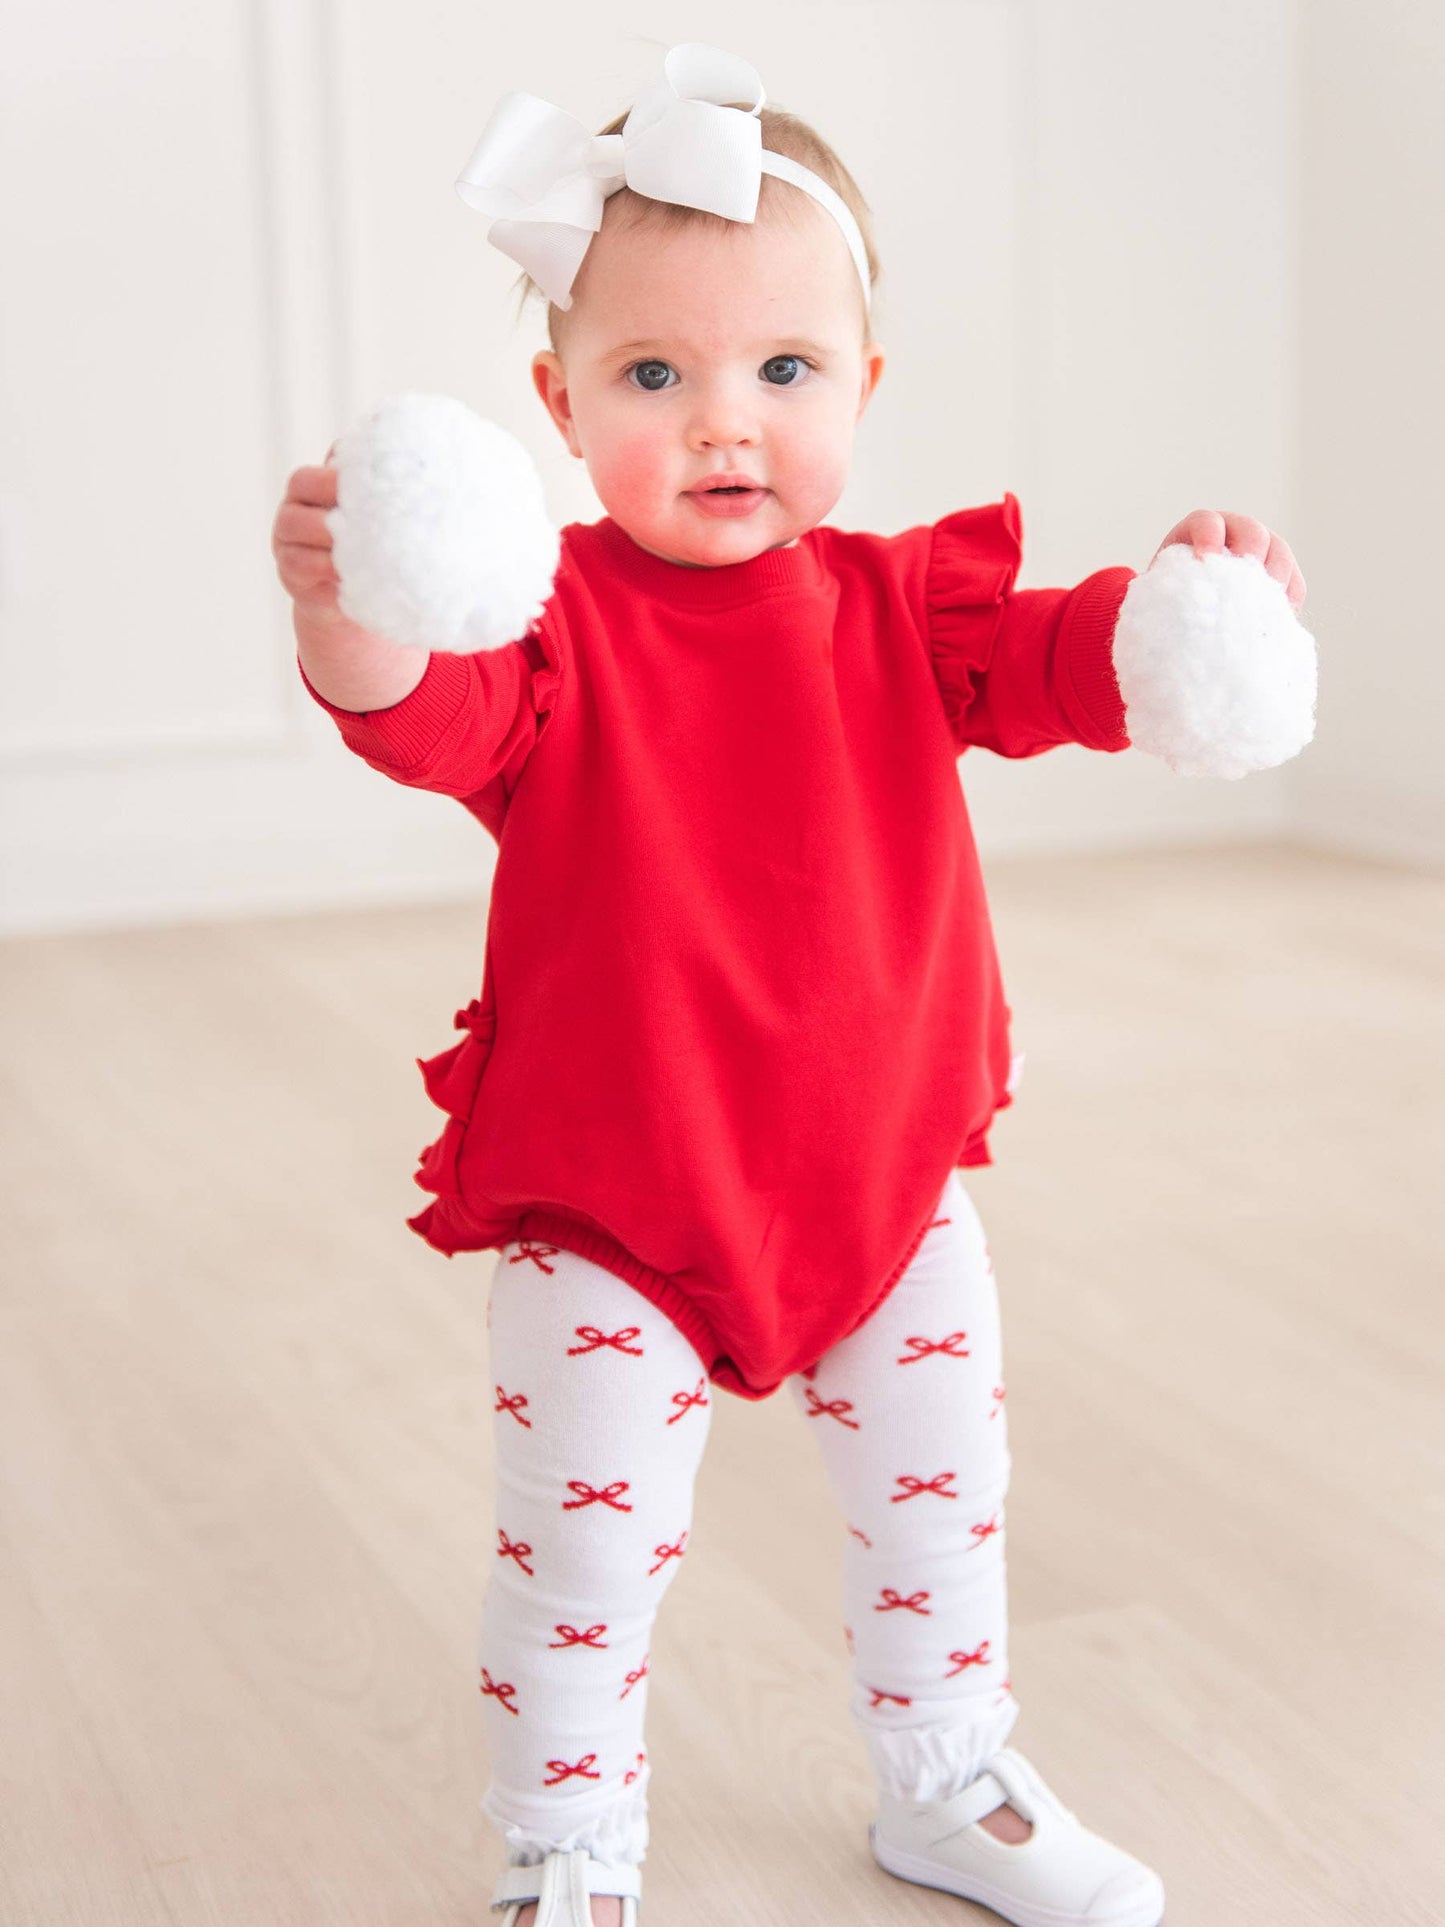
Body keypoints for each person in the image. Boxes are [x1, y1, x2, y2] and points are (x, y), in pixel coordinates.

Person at [269, 43, 1305, 1927]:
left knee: (939, 1512)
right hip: (617, 1207)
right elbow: (429, 721)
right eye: (653, 376)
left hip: (882, 1193)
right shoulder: (552, 625)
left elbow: (1077, 663)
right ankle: (564, 1848)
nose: (723, 423)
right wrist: (353, 618)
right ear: (561, 409)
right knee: (584, 1558)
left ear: (863, 388)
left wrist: (1187, 614)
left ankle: (946, 1777)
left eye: (783, 372)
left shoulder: (906, 607)